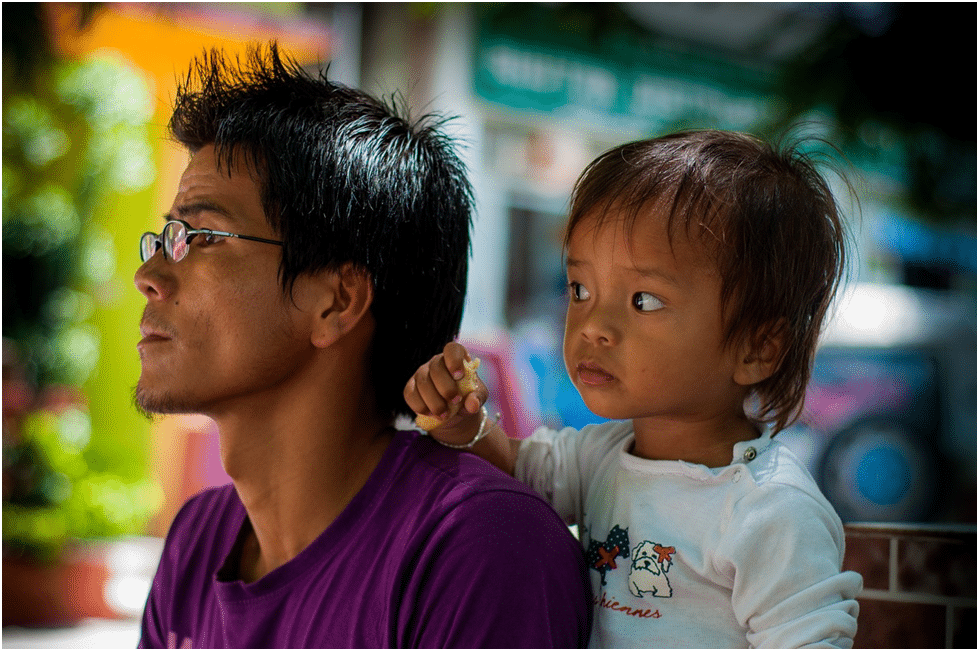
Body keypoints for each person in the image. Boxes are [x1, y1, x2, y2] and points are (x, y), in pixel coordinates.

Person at [134, 43, 591, 649]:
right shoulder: (199, 536)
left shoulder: (478, 545)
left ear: (337, 302)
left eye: (200, 236)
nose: (151, 274)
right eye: (165, 237)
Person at [406, 130, 864, 648]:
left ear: (756, 347)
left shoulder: (770, 511)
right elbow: (511, 464)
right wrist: (462, 422)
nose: (592, 325)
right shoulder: (602, 457)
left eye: (643, 300)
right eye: (580, 289)